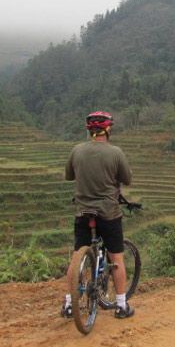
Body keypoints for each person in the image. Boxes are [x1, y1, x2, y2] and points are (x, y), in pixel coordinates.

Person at [62, 110, 135, 320]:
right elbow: (127, 179)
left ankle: (69, 303)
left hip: (83, 212)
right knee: (116, 257)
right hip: (108, 213)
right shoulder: (115, 153)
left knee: (77, 256)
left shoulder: (76, 151)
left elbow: (69, 176)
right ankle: (121, 305)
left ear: (90, 131)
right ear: (108, 129)